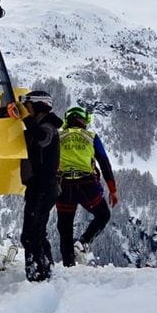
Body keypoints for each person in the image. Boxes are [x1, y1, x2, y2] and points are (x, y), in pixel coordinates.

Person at [56, 105, 119, 267]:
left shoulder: (58, 136)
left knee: (65, 228)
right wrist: (112, 190)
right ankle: (83, 242)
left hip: (64, 186)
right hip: (87, 185)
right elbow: (104, 163)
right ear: (84, 120)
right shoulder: (91, 136)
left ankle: (68, 265)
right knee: (103, 215)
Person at [18, 90, 62, 282]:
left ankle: (38, 277)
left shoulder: (48, 126)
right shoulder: (41, 125)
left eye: (27, 107)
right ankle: (46, 271)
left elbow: (43, 138)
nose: (25, 110)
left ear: (38, 106)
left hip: (43, 187)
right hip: (40, 187)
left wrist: (26, 119)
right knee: (37, 233)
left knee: (31, 235)